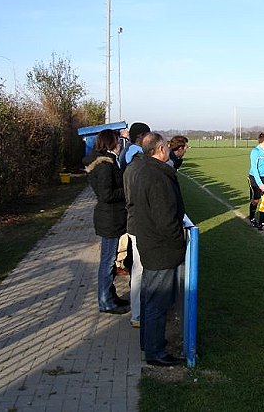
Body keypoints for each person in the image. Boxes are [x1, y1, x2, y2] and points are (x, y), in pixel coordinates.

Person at [123, 132, 186, 366]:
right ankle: (155, 352)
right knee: (157, 303)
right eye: (167, 147)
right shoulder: (157, 177)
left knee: (151, 300)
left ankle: (148, 344)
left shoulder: (142, 170)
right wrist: (179, 242)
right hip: (160, 249)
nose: (170, 150)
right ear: (160, 149)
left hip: (150, 244)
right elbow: (166, 219)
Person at [82, 129, 130, 314]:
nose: (119, 145)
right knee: (108, 262)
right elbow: (106, 194)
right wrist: (127, 191)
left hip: (111, 218)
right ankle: (105, 302)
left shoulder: (106, 161)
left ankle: (111, 296)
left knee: (109, 260)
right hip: (109, 218)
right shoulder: (104, 165)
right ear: (111, 143)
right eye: (117, 142)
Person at [120, 122, 150, 328]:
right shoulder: (135, 155)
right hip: (138, 219)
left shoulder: (127, 153)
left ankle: (139, 312)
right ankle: (138, 314)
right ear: (141, 137)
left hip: (133, 218)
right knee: (140, 268)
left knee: (138, 266)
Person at [248, 132, 264, 230]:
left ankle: (261, 223)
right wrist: (260, 183)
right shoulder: (255, 151)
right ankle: (252, 218)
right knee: (256, 200)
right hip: (255, 178)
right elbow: (254, 168)